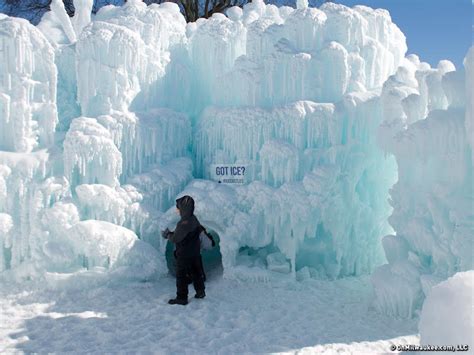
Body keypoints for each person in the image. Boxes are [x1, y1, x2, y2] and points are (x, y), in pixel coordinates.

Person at [162, 195, 205, 305]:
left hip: (184, 254)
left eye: (178, 207)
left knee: (181, 276)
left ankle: (181, 298)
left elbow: (176, 238)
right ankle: (200, 292)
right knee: (196, 273)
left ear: (184, 208)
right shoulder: (193, 218)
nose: (177, 209)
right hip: (195, 252)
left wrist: (168, 235)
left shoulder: (183, 223)